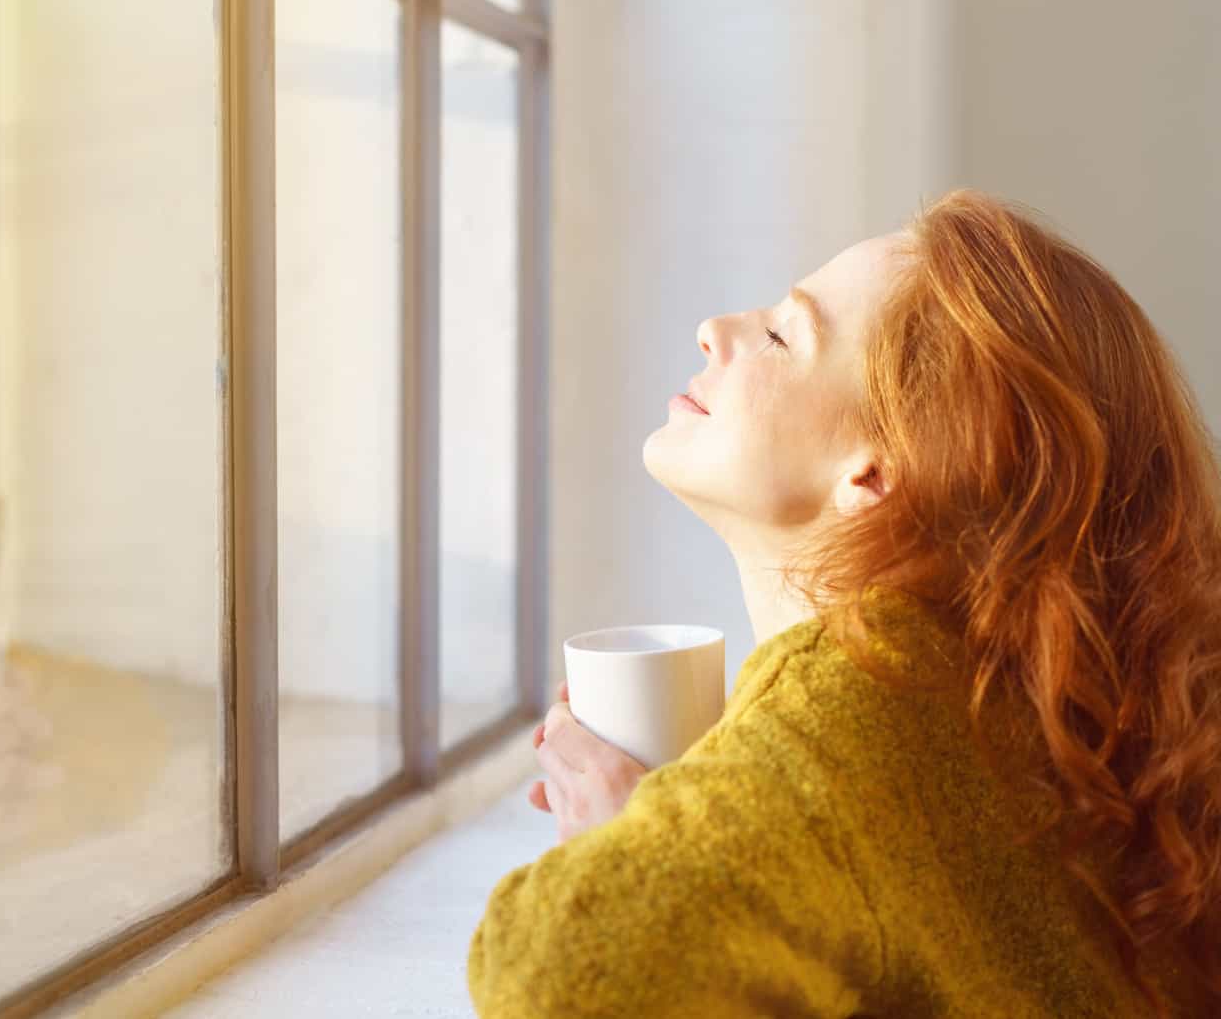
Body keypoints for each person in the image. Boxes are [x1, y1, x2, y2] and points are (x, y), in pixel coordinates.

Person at [467, 189, 1220, 1017]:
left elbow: (564, 973)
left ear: (877, 470)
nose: (716, 330)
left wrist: (617, 853)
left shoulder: (861, 703)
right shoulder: (1008, 694)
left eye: (784, 334)